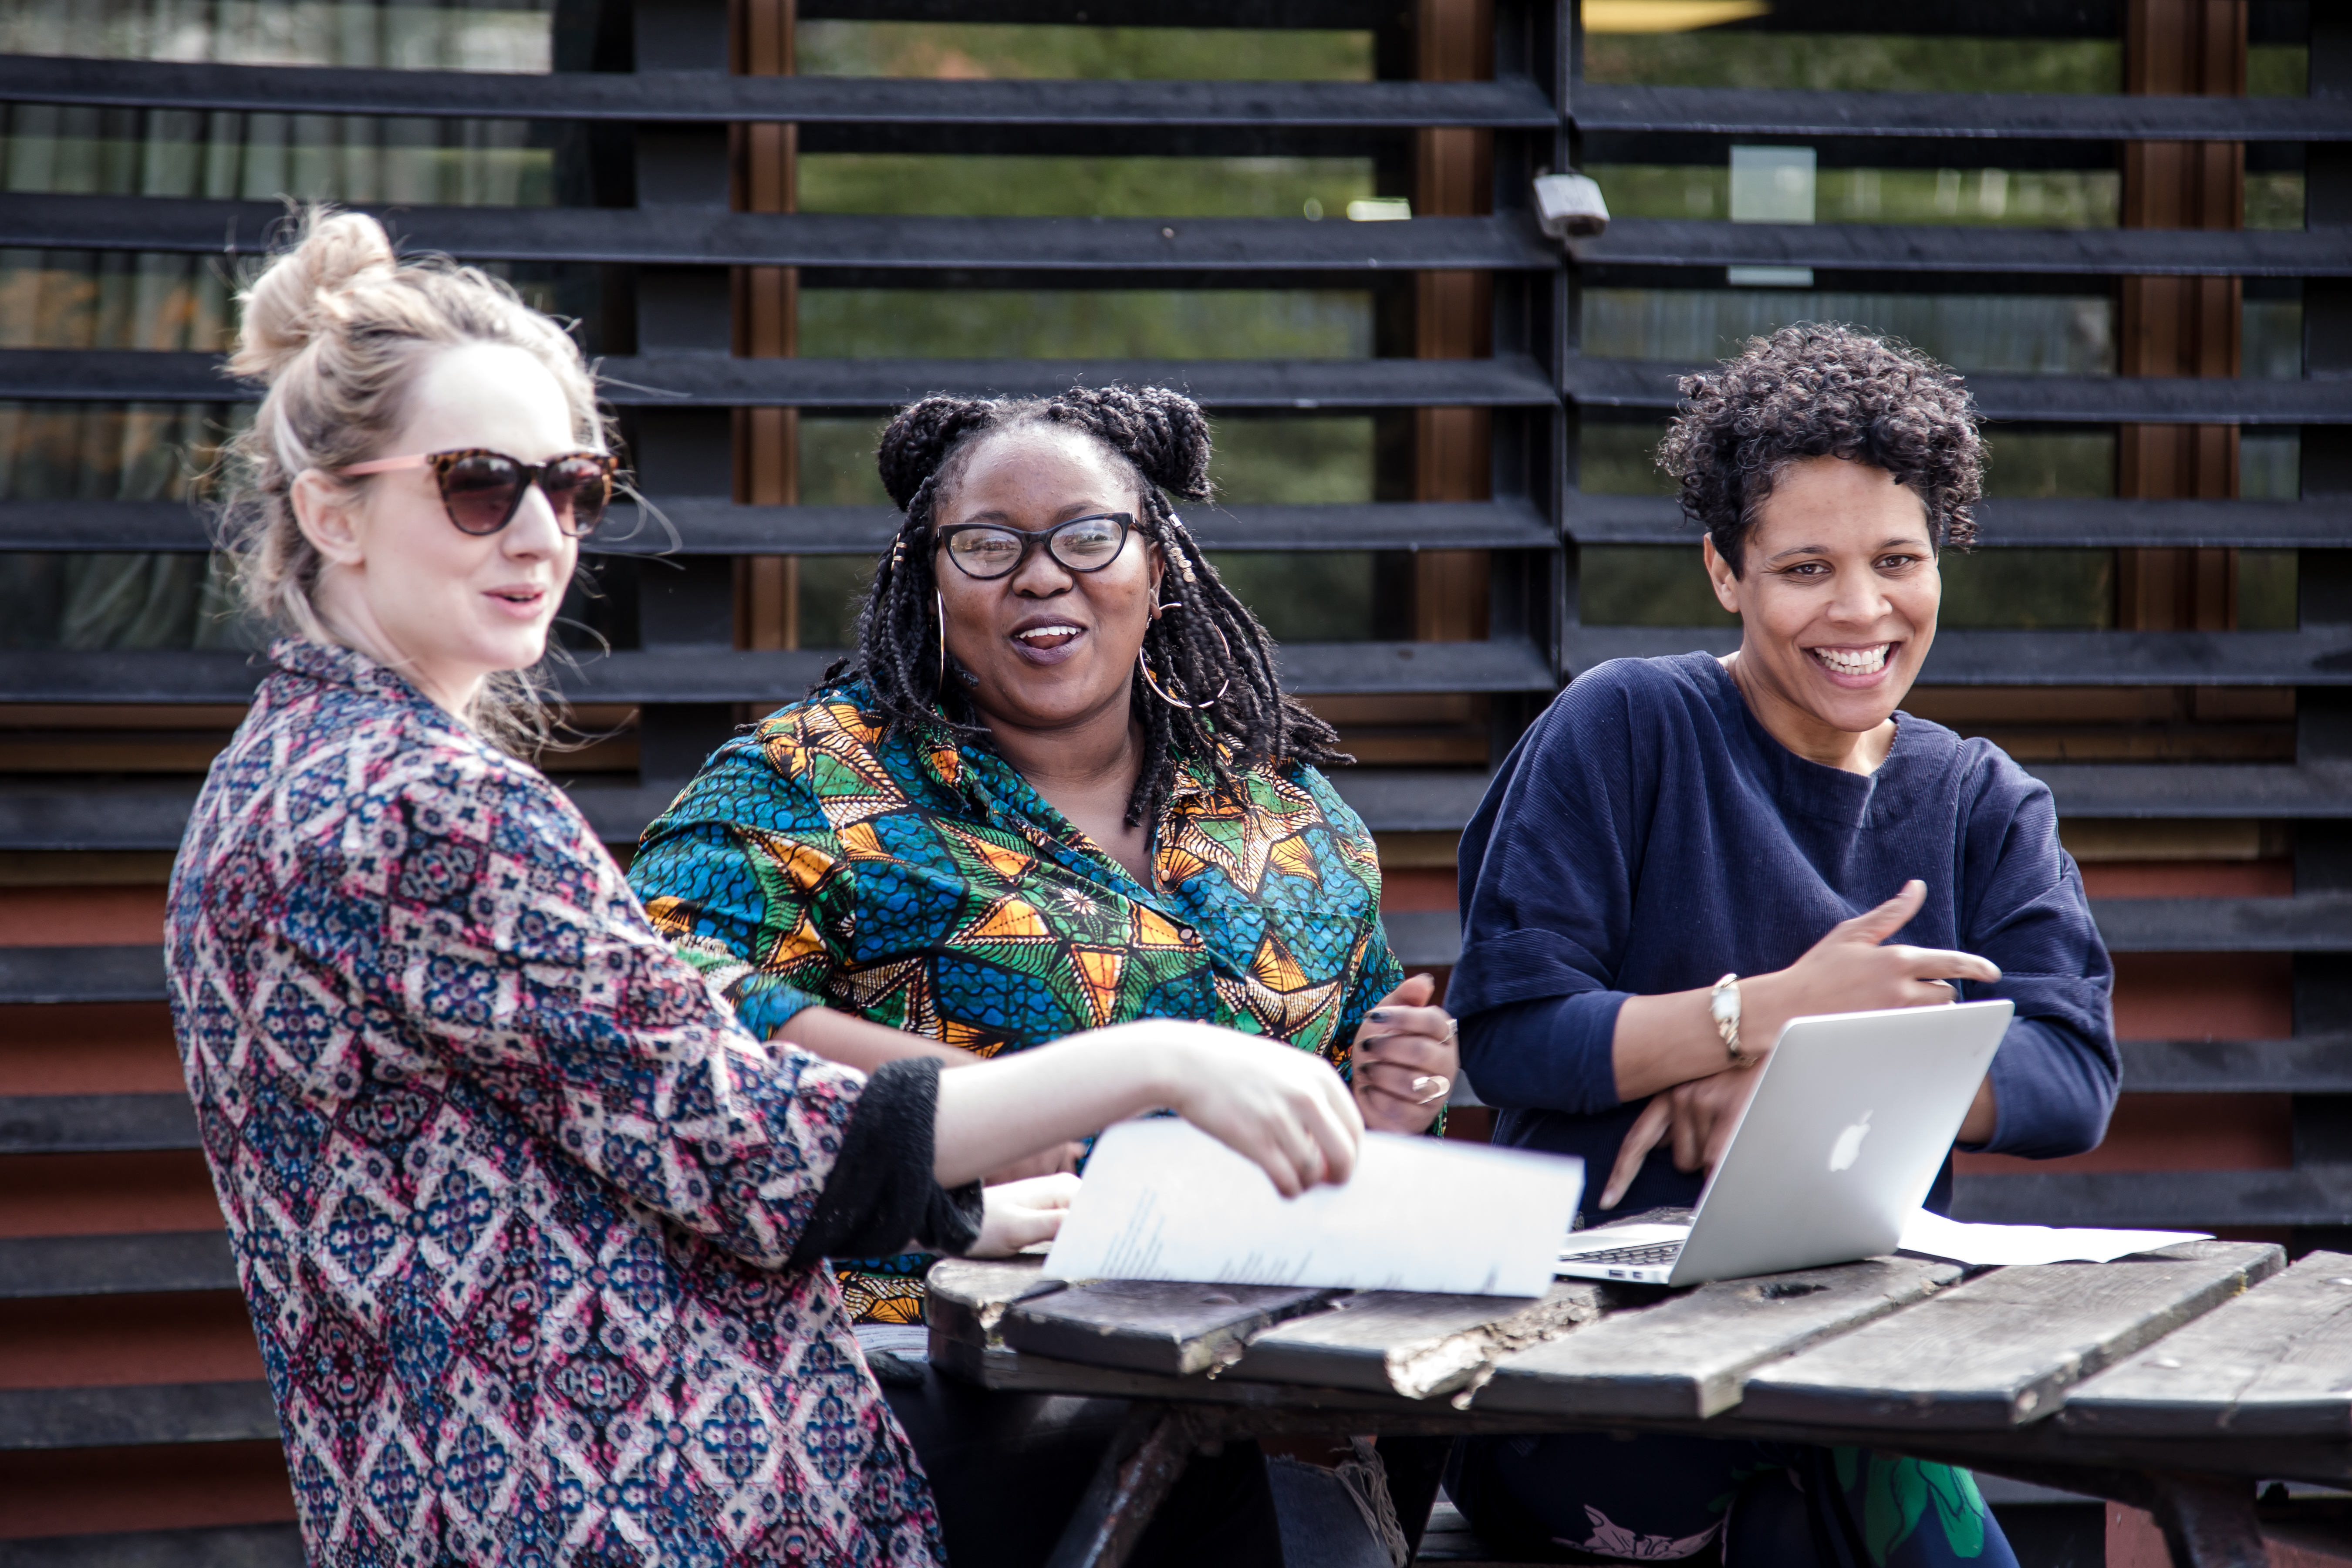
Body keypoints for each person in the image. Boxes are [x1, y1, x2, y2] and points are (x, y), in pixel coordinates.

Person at [162, 209, 1364, 1568]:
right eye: (478, 484)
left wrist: (961, 1202)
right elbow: (749, 1137)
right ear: (331, 510)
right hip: (610, 1499)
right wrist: (1159, 1060)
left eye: (573, 485)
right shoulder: (434, 804)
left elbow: (609, 1123)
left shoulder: (279, 772)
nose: (541, 533)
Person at [1445, 324, 2119, 1567]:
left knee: (1838, 1497)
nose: (1861, 610)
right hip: (1585, 1365)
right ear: (1724, 571)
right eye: (1806, 566)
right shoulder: (1624, 729)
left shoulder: (1981, 799)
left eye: (1898, 561)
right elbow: (1511, 1034)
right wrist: (1758, 1011)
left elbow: (2070, 1074)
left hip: (1857, 1356)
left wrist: (1796, 1084)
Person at [625, 383, 1460, 1325]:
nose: (1041, 576)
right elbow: (657, 997)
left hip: (1261, 1352)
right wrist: (987, 1104)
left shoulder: (1284, 810)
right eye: (987, 545)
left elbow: (1364, 1094)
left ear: (1159, 570)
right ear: (927, 583)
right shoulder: (807, 779)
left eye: (1087, 536)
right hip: (925, 1365)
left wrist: (1389, 1101)